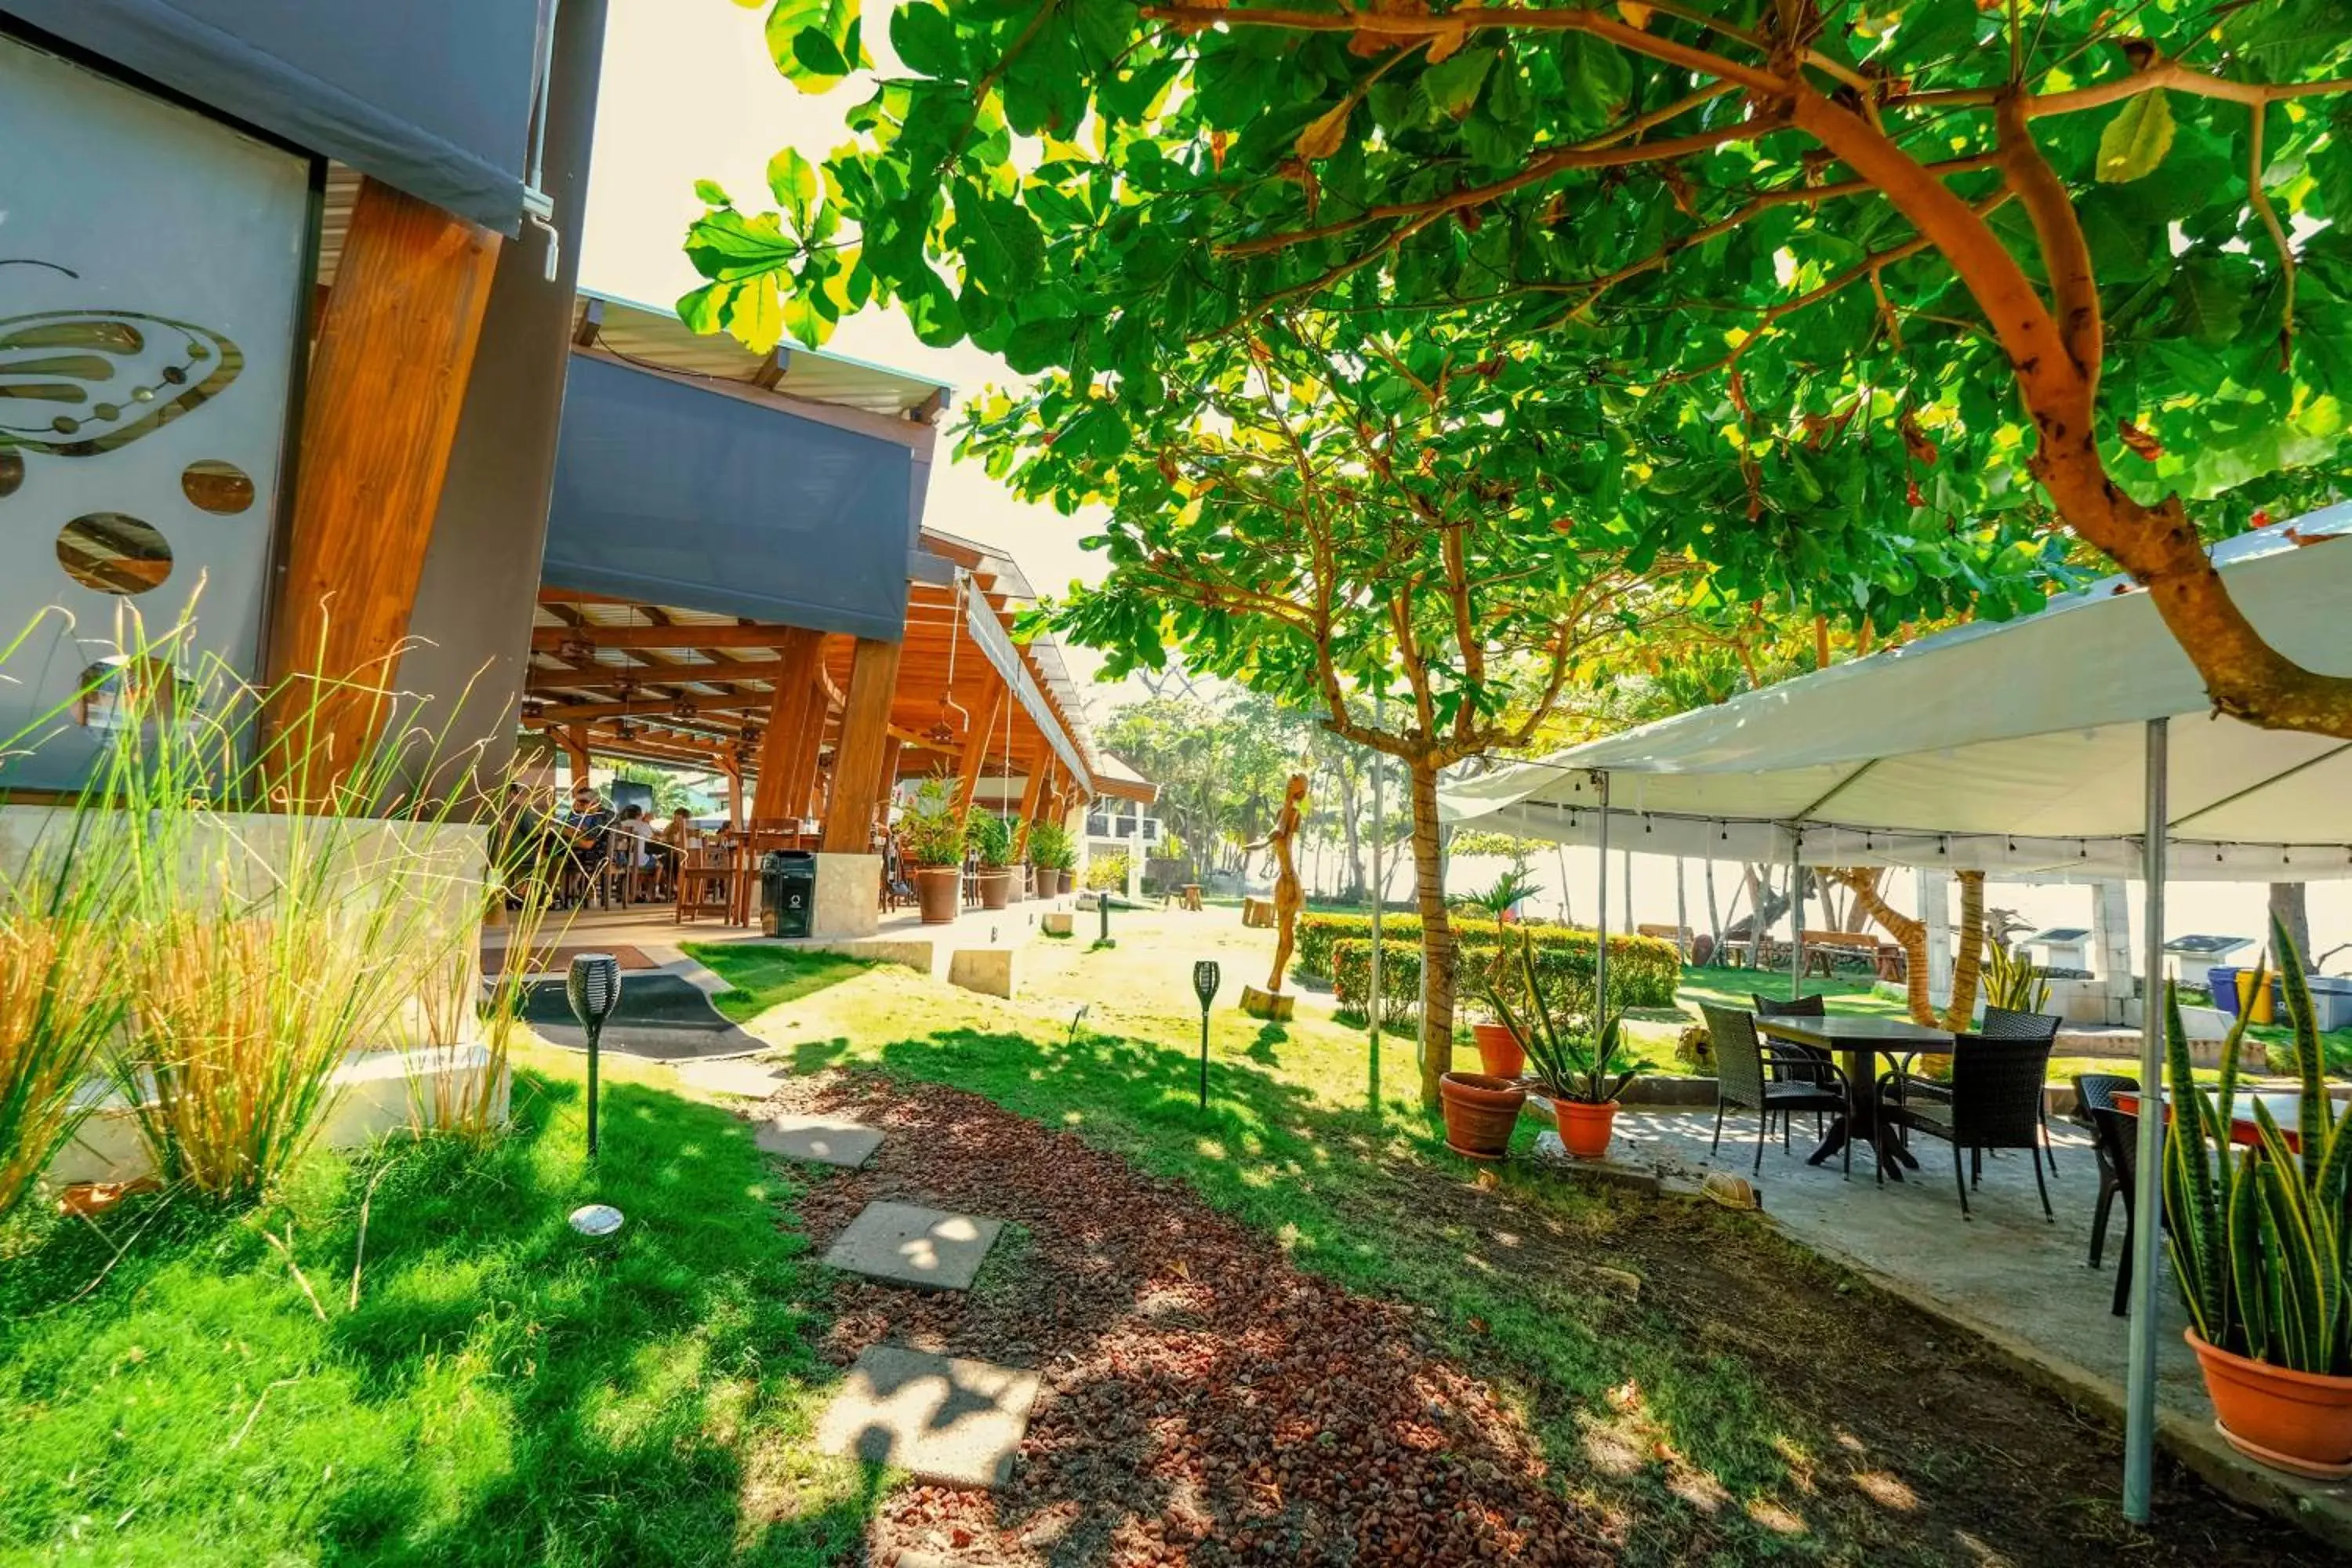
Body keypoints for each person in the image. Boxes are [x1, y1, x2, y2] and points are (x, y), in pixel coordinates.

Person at [561, 783, 614, 906]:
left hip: (601, 856)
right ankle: (568, 892)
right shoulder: (604, 814)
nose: (578, 805)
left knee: (562, 857)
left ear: (595, 801)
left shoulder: (599, 818)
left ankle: (562, 895)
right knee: (563, 854)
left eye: (583, 802)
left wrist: (568, 833)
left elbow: (587, 845)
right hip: (607, 854)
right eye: (577, 801)